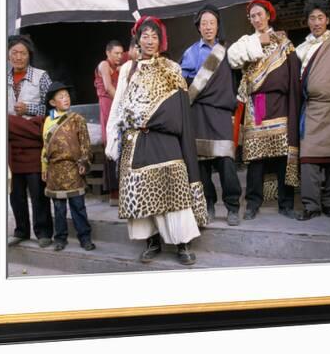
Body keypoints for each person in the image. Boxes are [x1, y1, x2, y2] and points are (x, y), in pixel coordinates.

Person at [106, 16, 208, 266]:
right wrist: (112, 136)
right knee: (140, 192)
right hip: (136, 139)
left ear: (161, 40)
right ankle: (151, 241)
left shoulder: (172, 68)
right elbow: (118, 104)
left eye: (154, 36)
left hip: (165, 139)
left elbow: (180, 109)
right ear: (138, 40)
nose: (149, 40)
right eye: (145, 36)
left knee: (174, 188)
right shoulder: (127, 70)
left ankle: (183, 243)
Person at [228, 0, 301, 220]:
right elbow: (233, 59)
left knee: (281, 155)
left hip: (280, 103)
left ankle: (286, 203)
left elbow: (294, 74)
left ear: (268, 16)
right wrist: (258, 41)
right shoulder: (246, 42)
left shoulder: (284, 43)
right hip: (258, 103)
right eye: (253, 16)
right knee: (256, 156)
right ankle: (252, 203)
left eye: (260, 14)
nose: (257, 19)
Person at [180, 4, 242, 226]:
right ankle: (208, 203)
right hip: (198, 112)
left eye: (211, 23)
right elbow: (184, 84)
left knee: (226, 160)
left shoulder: (228, 51)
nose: (207, 27)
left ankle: (233, 206)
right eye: (204, 23)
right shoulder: (190, 53)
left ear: (218, 26)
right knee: (202, 163)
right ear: (199, 27)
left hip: (221, 113)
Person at [295, 0, 330, 220]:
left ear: (327, 20)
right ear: (307, 22)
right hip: (312, 108)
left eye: (320, 18)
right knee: (308, 158)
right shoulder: (302, 48)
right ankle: (311, 205)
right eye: (312, 18)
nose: (316, 22)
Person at [7, 35, 54, 247]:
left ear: (29, 55)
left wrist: (29, 109)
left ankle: (43, 232)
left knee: (37, 190)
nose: (18, 57)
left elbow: (53, 109)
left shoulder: (41, 77)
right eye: (14, 53)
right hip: (10, 145)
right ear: (8, 55)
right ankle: (21, 230)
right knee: (15, 191)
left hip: (34, 144)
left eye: (22, 53)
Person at [42, 82, 96, 251]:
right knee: (58, 208)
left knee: (78, 206)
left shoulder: (77, 119)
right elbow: (45, 146)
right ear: (52, 103)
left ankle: (85, 237)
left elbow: (85, 143)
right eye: (61, 97)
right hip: (54, 171)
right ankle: (60, 238)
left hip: (73, 168)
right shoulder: (48, 121)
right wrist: (44, 167)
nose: (66, 99)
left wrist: (84, 162)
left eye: (67, 95)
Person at [94, 40, 124, 205]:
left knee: (123, 145)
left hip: (118, 106)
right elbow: (107, 87)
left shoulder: (121, 66)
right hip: (108, 106)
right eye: (116, 53)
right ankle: (114, 193)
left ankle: (123, 190)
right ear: (108, 53)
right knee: (112, 144)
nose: (119, 56)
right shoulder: (104, 64)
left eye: (121, 53)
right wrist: (123, 102)